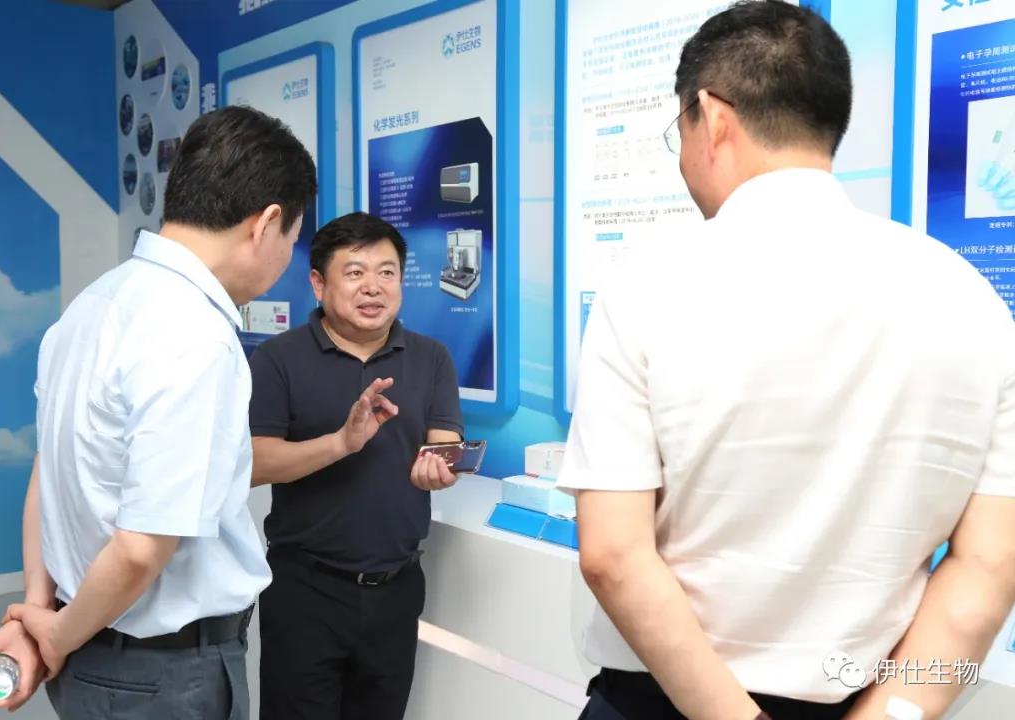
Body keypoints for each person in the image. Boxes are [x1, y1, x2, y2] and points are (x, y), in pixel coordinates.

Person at [556, 2, 1015, 719]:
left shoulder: (650, 284)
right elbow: (988, 567)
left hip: (664, 703)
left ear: (712, 116)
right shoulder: (971, 299)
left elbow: (613, 555)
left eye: (678, 130)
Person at [0, 105, 317, 718]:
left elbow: (49, 473)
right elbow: (140, 548)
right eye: (293, 236)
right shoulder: (195, 336)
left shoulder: (92, 306)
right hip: (163, 677)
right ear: (266, 223)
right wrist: (55, 633)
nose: (289, 253)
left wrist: (41, 614)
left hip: (93, 655)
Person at [248, 211, 464, 720]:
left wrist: (441, 467)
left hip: (397, 588)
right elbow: (254, 464)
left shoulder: (431, 357)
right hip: (306, 589)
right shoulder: (278, 359)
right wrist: (340, 443)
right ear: (318, 283)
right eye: (355, 272)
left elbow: (445, 442)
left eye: (387, 272)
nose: (373, 287)